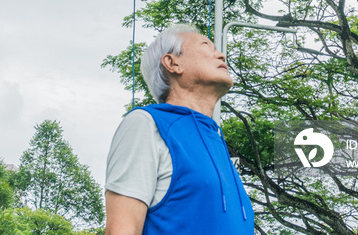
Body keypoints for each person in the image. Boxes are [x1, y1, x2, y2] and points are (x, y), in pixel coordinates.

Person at [104, 23, 254, 235]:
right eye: (206, 46)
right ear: (172, 63)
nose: (221, 55)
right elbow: (121, 230)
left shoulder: (216, 140)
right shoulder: (147, 124)